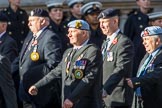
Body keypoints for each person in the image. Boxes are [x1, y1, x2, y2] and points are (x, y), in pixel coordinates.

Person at [28, 19, 103, 108]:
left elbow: (89, 78)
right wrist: (37, 85)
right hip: (67, 101)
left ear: (84, 33)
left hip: (84, 102)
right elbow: (56, 72)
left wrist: (72, 98)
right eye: (69, 32)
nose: (69, 35)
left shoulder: (92, 51)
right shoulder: (68, 52)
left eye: (73, 31)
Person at [18, 8, 62, 108]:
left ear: (43, 21)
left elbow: (52, 64)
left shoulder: (50, 37)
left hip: (40, 92)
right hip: (26, 90)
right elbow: (21, 59)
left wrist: (29, 75)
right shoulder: (31, 36)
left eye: (32, 21)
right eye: (29, 21)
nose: (29, 24)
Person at [98, 8, 134, 108]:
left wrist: (106, 88)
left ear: (115, 21)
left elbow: (121, 67)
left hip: (117, 95)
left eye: (104, 22)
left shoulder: (123, 42)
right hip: (104, 96)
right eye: (100, 22)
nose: (101, 26)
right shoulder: (105, 42)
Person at [126, 26, 162, 108]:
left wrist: (136, 81)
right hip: (141, 101)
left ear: (157, 41)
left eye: (147, 39)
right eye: (143, 40)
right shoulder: (147, 56)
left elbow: (156, 75)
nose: (143, 43)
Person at [124, 0, 151, 77]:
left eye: (148, 0)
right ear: (138, 2)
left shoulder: (153, 17)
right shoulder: (133, 18)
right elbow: (127, 37)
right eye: (143, 0)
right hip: (137, 54)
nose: (146, 2)